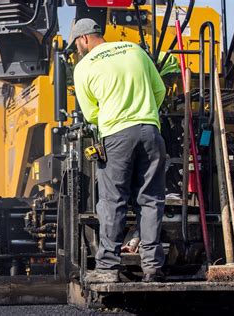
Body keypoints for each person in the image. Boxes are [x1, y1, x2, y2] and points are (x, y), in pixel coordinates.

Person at [69, 18, 167, 283]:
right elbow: (160, 90)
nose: (78, 49)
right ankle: (152, 268)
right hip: (151, 132)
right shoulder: (135, 50)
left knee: (113, 202)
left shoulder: (85, 66)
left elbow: (91, 114)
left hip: (116, 136)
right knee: (151, 200)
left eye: (77, 44)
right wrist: (144, 114)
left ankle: (108, 269)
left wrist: (114, 120)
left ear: (84, 38)